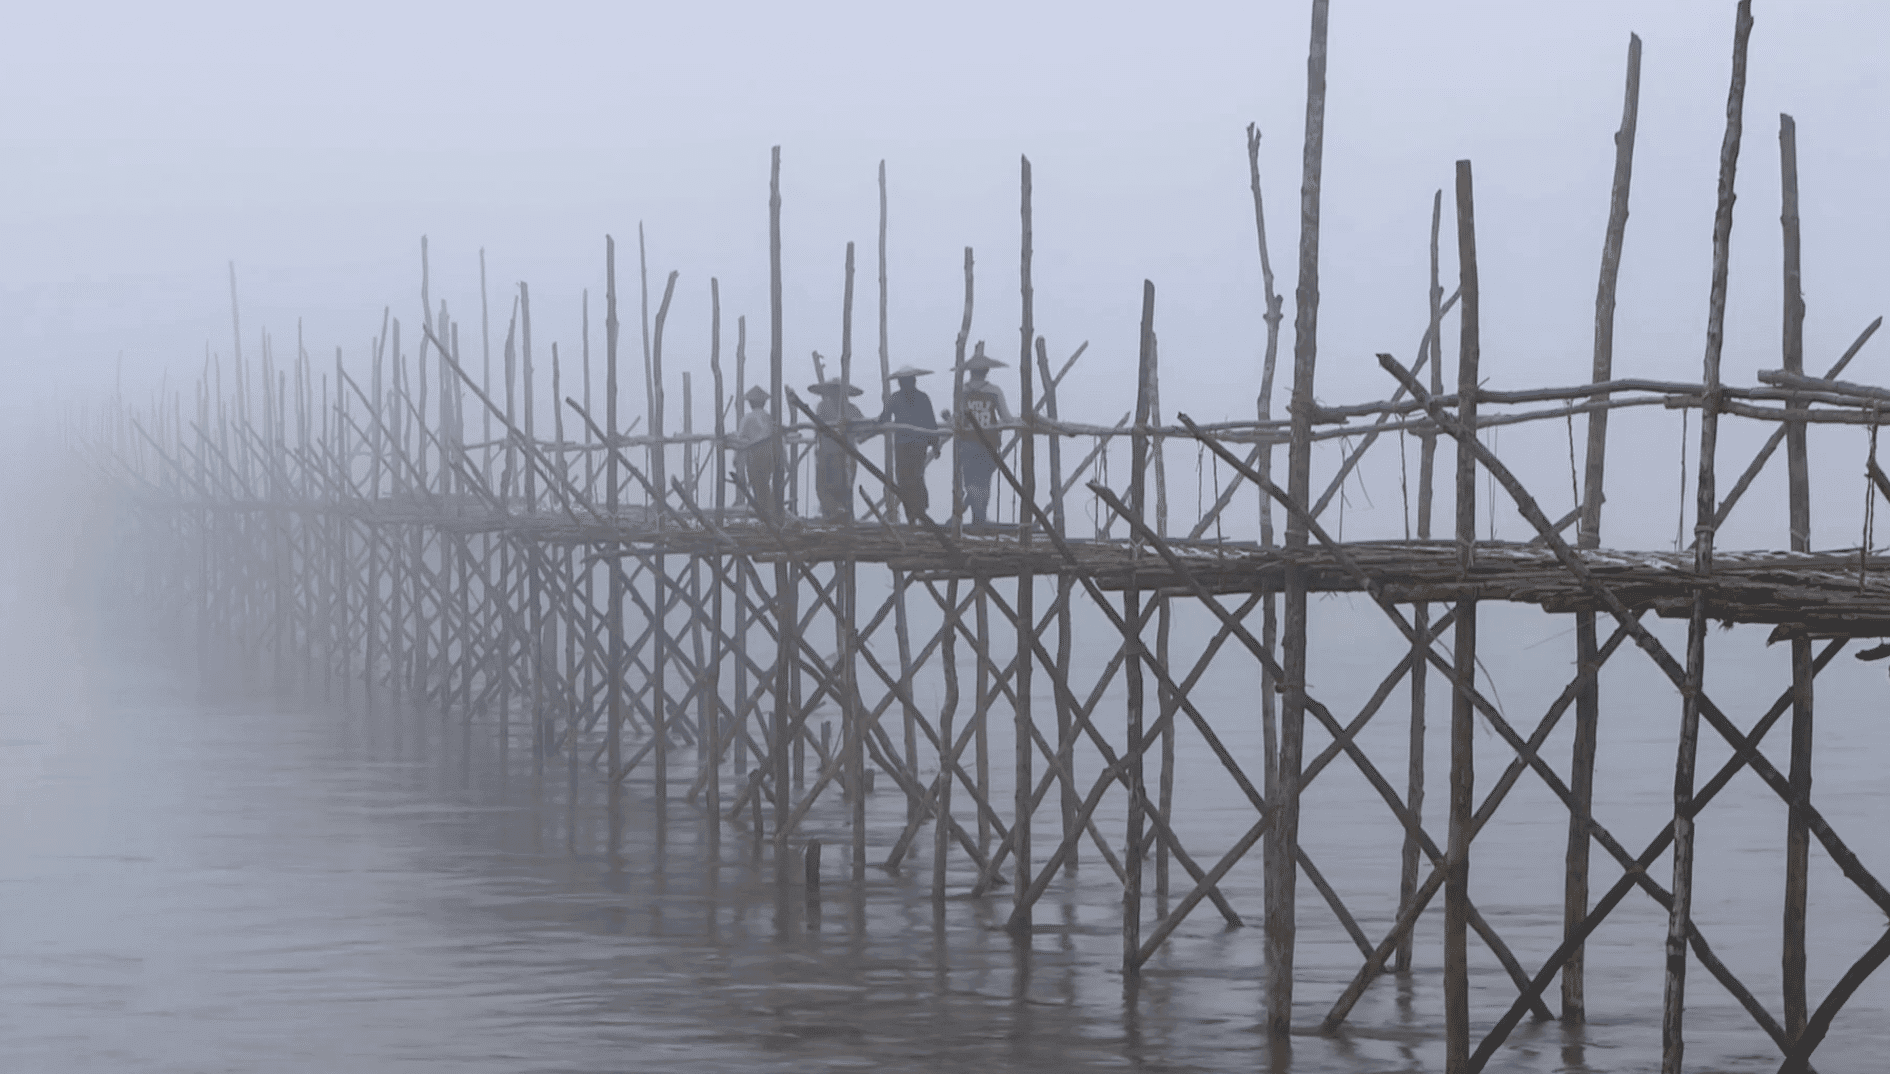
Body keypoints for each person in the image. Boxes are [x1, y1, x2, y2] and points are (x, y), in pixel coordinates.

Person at [954, 344, 1011, 527]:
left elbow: (957, 418)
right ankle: (980, 517)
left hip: (967, 442)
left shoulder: (961, 391)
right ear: (986, 371)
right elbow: (1006, 418)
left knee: (971, 480)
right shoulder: (994, 391)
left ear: (970, 372)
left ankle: (976, 516)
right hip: (989, 442)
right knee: (984, 482)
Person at [876, 364, 940, 519]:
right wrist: (935, 444)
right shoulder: (897, 398)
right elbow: (884, 417)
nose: (905, 385)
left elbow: (931, 423)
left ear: (913, 381)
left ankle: (919, 512)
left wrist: (935, 443)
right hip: (904, 445)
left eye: (907, 381)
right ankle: (913, 514)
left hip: (915, 444)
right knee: (907, 479)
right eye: (903, 382)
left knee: (914, 478)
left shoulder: (920, 398)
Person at [807, 378, 868, 522]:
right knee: (826, 488)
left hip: (845, 454)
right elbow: (819, 427)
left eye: (837, 391)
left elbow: (863, 432)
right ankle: (834, 515)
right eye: (832, 391)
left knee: (843, 488)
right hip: (828, 452)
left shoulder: (851, 409)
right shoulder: (823, 407)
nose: (834, 394)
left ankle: (842, 516)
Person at [733, 385, 783, 520]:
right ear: (764, 402)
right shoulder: (769, 418)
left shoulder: (747, 418)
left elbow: (740, 439)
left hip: (755, 454)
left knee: (758, 484)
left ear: (750, 403)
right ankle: (768, 512)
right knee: (765, 483)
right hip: (769, 454)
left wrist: (736, 457)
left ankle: (765, 514)